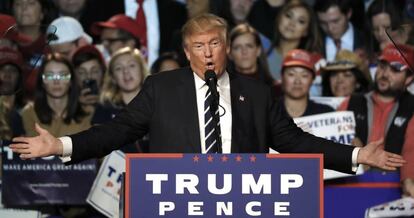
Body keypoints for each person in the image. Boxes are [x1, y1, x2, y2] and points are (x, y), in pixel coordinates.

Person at [10, 14, 405, 175]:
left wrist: (355, 155)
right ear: (186, 52)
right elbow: (117, 131)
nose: (208, 53)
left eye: (215, 44)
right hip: (177, 204)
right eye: (198, 46)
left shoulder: (257, 92)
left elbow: (292, 141)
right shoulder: (161, 89)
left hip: (241, 204)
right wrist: (60, 145)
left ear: (227, 47)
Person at [337, 43, 414, 196]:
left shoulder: (411, 107)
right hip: (351, 185)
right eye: (382, 66)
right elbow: (334, 141)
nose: (385, 74)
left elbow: (411, 150)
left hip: (393, 186)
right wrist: (351, 149)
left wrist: (409, 180)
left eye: (395, 69)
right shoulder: (351, 102)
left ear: (409, 78)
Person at [267, 0, 323, 81]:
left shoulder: (314, 62)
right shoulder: (260, 50)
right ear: (279, 18)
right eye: (288, 16)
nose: (292, 24)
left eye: (301, 21)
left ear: (306, 31)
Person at [277, 49, 333, 118]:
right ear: (282, 77)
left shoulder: (326, 114)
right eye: (291, 74)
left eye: (304, 75)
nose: (297, 81)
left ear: (312, 80)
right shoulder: (266, 112)